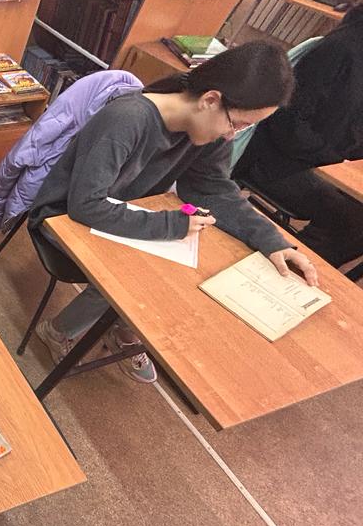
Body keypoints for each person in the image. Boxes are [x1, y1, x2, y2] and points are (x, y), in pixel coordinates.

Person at [29, 41, 318, 384]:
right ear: (210, 100)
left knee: (175, 264)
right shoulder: (127, 119)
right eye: (237, 124)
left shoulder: (205, 132)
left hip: (119, 210)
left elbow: (213, 188)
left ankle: (121, 328)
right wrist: (169, 224)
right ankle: (58, 331)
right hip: (61, 217)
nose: (232, 136)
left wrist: (272, 241)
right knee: (136, 272)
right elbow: (85, 205)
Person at [231, 4, 363, 268]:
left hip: (325, 162)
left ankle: (298, 267)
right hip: (276, 161)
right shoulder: (339, 50)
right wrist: (334, 160)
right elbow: (287, 122)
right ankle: (287, 269)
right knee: (353, 220)